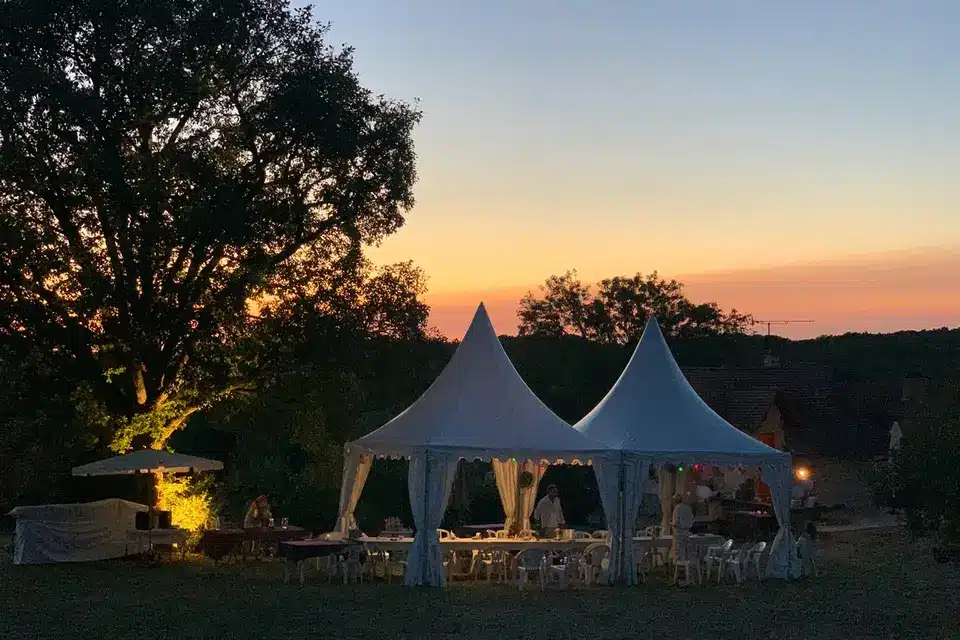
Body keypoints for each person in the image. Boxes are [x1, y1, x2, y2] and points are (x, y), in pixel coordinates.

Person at [670, 493, 695, 562]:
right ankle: (688, 568)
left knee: (679, 552)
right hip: (687, 532)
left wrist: (671, 523)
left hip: (679, 533)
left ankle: (680, 569)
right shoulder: (688, 507)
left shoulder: (677, 508)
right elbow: (692, 520)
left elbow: (676, 522)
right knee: (688, 551)